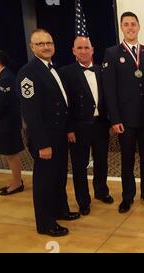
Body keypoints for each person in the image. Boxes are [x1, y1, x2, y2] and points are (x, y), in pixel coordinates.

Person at [17, 29, 80, 237]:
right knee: (45, 181)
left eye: (49, 43)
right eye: (41, 43)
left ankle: (60, 210)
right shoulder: (28, 73)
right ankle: (45, 223)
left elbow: (63, 104)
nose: (46, 46)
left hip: (60, 134)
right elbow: (31, 113)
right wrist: (42, 143)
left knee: (59, 175)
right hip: (45, 138)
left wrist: (68, 129)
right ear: (32, 47)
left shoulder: (54, 68)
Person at [102, 12, 144, 213]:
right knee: (127, 159)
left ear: (139, 27)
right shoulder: (111, 53)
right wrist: (114, 118)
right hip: (124, 119)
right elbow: (109, 89)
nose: (130, 28)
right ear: (121, 27)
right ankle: (127, 196)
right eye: (126, 24)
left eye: (133, 24)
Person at [59, 36, 113, 216]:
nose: (83, 51)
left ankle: (101, 191)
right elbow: (63, 103)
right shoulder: (66, 72)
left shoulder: (101, 70)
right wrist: (68, 128)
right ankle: (83, 201)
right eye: (79, 48)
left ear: (92, 50)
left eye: (86, 47)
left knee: (101, 161)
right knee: (79, 165)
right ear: (74, 51)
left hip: (100, 125)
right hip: (78, 126)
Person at [0, 49, 24, 195]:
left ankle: (17, 183)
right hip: (4, 122)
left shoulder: (7, 77)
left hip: (9, 123)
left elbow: (3, 103)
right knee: (10, 153)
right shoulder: (0, 75)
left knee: (11, 153)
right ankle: (17, 180)